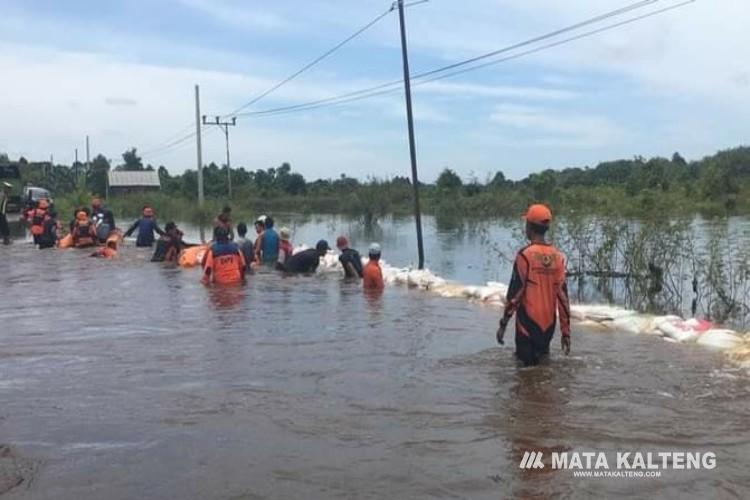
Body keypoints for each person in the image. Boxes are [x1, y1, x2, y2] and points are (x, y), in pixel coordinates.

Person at [496, 204, 571, 366]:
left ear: (529, 227)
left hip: (527, 326)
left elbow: (514, 295)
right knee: (542, 374)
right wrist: (565, 332)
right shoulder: (557, 257)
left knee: (524, 377)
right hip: (548, 328)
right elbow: (563, 299)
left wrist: (503, 324)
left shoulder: (525, 256)